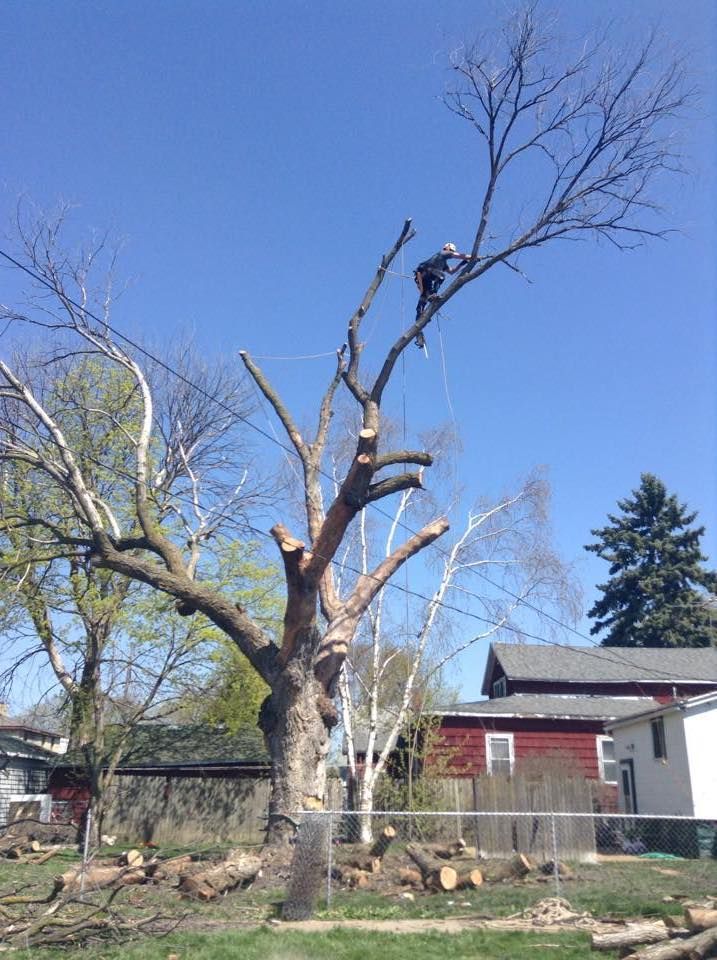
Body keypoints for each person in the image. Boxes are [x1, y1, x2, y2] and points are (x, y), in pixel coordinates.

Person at [413, 242, 473, 347]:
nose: (452, 253)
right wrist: (473, 257)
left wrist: (462, 264)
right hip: (425, 272)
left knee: (422, 301)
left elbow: (451, 271)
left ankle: (418, 328)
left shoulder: (443, 263)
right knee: (441, 276)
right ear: (448, 248)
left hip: (424, 278)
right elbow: (459, 255)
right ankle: (432, 295)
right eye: (452, 251)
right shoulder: (442, 253)